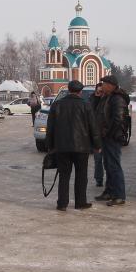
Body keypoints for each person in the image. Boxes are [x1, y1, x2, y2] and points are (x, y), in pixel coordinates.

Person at [46, 80, 102, 211]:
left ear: (68, 90)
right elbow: (93, 127)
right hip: (82, 147)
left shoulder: (57, 105)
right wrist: (97, 144)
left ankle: (62, 203)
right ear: (80, 91)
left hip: (62, 147)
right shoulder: (86, 105)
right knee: (81, 175)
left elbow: (50, 127)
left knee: (64, 175)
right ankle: (80, 202)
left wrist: (50, 145)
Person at [95, 74, 129, 206]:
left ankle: (119, 195)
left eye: (104, 84)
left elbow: (118, 120)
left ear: (110, 85)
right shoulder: (106, 97)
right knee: (108, 165)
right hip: (106, 136)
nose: (101, 86)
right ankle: (109, 191)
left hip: (112, 137)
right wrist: (97, 97)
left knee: (114, 165)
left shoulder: (117, 99)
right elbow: (96, 112)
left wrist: (107, 133)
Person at [90, 83, 106, 188]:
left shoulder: (108, 99)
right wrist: (96, 97)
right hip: (97, 135)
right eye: (98, 91)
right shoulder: (92, 99)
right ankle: (99, 179)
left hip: (107, 134)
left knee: (109, 160)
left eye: (102, 91)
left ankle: (110, 181)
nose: (100, 93)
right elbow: (90, 112)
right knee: (98, 159)